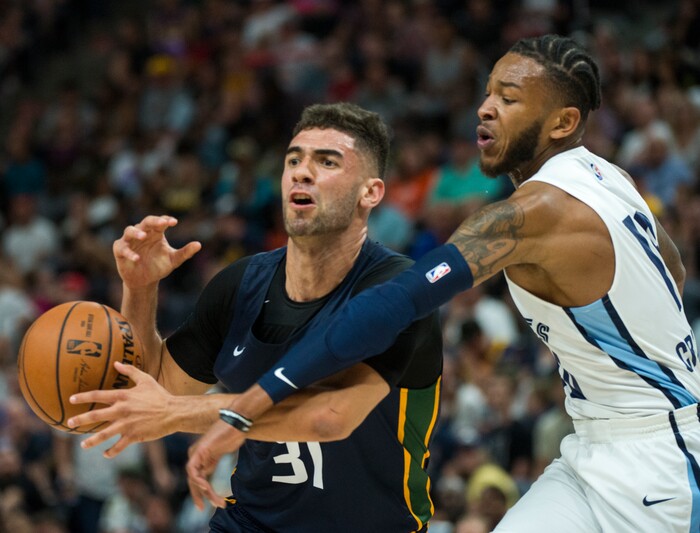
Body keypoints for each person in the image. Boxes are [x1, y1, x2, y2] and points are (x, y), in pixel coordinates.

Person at [188, 34, 700, 532]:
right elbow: (671, 268)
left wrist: (247, 407)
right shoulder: (608, 176)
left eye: (509, 98)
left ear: (562, 122)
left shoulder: (535, 213)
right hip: (594, 446)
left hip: (659, 461)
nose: (485, 107)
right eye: (489, 91)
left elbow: (396, 303)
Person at [68, 102, 444, 532]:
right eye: (294, 160)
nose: (302, 172)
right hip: (250, 521)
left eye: (326, 161)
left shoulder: (398, 291)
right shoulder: (239, 285)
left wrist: (175, 413)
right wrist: (139, 289)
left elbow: (327, 416)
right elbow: (156, 388)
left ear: (370, 192)